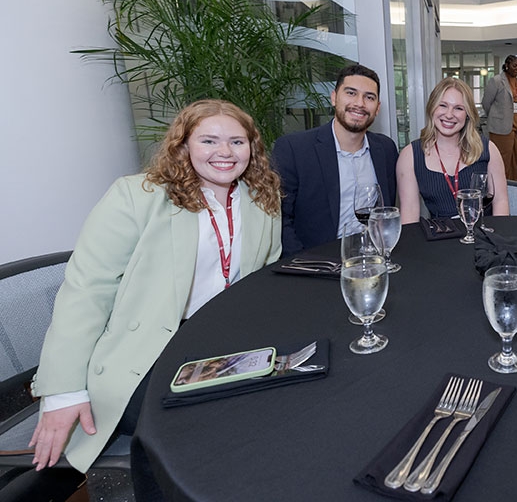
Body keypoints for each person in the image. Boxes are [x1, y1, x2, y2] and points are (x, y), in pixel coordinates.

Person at [29, 100, 282, 477]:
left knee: (281, 405)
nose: (225, 153)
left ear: (252, 148)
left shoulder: (261, 200)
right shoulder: (137, 196)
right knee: (207, 428)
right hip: (146, 353)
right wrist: (63, 391)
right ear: (183, 145)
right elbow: (86, 291)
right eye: (209, 141)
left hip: (222, 343)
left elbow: (263, 282)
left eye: (237, 142)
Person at [273, 64, 399, 256]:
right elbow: (280, 220)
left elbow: (385, 212)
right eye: (351, 93)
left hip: (372, 257)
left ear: (377, 108)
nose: (360, 103)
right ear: (334, 97)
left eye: (369, 97)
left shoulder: (386, 149)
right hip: (316, 263)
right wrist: (305, 267)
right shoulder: (294, 149)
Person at [398, 77, 509, 223]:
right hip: (440, 240)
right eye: (443, 105)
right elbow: (410, 212)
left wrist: (497, 241)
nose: (449, 114)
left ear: (468, 114)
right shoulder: (410, 156)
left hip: (483, 237)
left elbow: (500, 202)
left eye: (458, 108)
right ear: (432, 108)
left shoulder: (488, 149)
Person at [482, 55, 517, 181]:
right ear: (507, 65)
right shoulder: (496, 81)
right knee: (501, 161)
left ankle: (513, 188)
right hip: (501, 127)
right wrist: (498, 116)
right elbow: (486, 103)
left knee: (514, 160)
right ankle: (500, 189)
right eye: (515, 65)